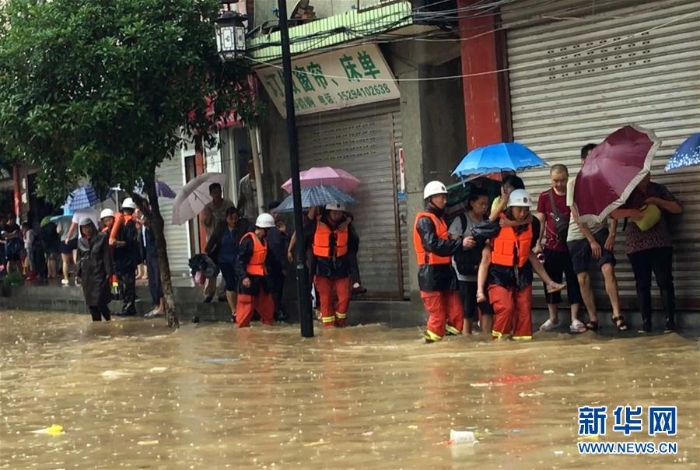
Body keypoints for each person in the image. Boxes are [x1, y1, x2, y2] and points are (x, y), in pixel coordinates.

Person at [476, 189, 566, 340]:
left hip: (522, 273)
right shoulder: (497, 223)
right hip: (499, 274)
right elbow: (478, 233)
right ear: (510, 208)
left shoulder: (532, 224)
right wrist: (480, 290)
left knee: (524, 311)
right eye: (519, 209)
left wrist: (549, 281)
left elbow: (529, 254)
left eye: (526, 210)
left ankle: (522, 346)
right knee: (505, 308)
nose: (523, 213)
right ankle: (498, 344)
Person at [612, 174, 682, 333]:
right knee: (642, 284)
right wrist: (630, 211)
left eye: (646, 173)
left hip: (660, 242)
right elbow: (613, 213)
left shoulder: (658, 189)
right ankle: (646, 323)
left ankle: (670, 322)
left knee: (665, 281)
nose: (644, 176)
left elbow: (677, 208)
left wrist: (658, 202)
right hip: (637, 245)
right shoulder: (626, 193)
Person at [567, 148, 627, 332]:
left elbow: (615, 209)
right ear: (582, 161)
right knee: (583, 278)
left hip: (601, 230)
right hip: (578, 234)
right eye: (590, 158)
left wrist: (612, 234)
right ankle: (593, 318)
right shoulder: (573, 183)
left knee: (608, 268)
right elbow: (576, 216)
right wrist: (591, 241)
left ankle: (617, 314)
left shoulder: (605, 180)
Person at [414, 181, 475, 342]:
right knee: (437, 315)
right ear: (431, 198)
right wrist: (459, 243)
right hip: (430, 272)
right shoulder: (425, 221)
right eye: (441, 197)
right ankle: (433, 350)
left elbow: (443, 243)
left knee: (456, 315)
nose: (445, 200)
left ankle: (447, 351)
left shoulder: (439, 219)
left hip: (445, 271)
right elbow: (432, 245)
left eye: (445, 197)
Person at [535, 164, 585, 333]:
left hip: (573, 245)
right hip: (551, 247)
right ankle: (553, 317)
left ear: (567, 177)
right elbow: (541, 222)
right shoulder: (544, 197)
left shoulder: (575, 194)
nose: (559, 184)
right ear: (551, 179)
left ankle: (575, 319)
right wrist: (537, 243)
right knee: (550, 282)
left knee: (574, 282)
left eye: (562, 180)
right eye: (555, 181)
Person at [448, 188, 494, 335]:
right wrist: (463, 241)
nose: (484, 207)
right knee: (468, 311)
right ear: (472, 203)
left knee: (487, 308)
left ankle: (486, 338)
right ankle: (466, 339)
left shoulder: (487, 221)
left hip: (483, 271)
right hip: (465, 273)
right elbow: (452, 240)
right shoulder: (461, 220)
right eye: (481, 203)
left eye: (487, 204)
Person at [304, 203, 353, 328]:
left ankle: (339, 322)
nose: (336, 215)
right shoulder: (317, 222)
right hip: (321, 266)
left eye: (339, 212)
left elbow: (354, 244)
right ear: (328, 211)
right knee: (325, 300)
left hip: (341, 266)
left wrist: (348, 221)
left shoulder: (346, 223)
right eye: (334, 212)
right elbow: (306, 224)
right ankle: (329, 328)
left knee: (345, 298)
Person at [205, 206, 249, 322]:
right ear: (226, 219)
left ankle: (240, 308)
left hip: (237, 260)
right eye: (231, 219)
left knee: (238, 283)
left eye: (236, 219)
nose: (234, 221)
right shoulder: (221, 228)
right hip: (224, 260)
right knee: (230, 283)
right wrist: (207, 252)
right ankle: (234, 311)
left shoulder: (241, 228)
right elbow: (213, 240)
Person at [234, 213, 276, 328]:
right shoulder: (248, 241)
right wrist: (244, 277)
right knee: (245, 312)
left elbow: (269, 260)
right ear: (263, 229)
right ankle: (242, 337)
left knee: (267, 308)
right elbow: (239, 261)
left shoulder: (264, 242)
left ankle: (267, 333)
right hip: (249, 281)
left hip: (261, 280)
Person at [201, 182, 234, 302]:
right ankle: (209, 293)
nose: (217, 194)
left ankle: (223, 292)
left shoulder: (228, 204)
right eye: (214, 192)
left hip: (225, 240)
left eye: (218, 191)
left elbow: (234, 218)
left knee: (226, 266)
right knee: (211, 268)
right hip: (213, 242)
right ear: (211, 194)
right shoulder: (207, 207)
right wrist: (209, 215)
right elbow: (206, 224)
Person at [76, 218, 113, 321]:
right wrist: (77, 274)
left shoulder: (102, 237)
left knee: (100, 302)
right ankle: (97, 325)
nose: (86, 230)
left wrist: (109, 273)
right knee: (91, 305)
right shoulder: (80, 242)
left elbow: (107, 256)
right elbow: (79, 259)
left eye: (88, 227)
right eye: (84, 228)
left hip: (99, 274)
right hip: (87, 276)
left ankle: (108, 321)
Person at [111, 198, 140, 316]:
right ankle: (127, 305)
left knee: (128, 284)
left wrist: (117, 243)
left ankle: (129, 307)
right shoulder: (123, 223)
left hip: (126, 259)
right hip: (123, 259)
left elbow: (129, 242)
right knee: (124, 284)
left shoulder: (129, 224)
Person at [139, 201, 166, 318]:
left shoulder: (154, 218)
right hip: (148, 253)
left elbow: (158, 233)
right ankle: (156, 305)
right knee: (152, 282)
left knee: (158, 279)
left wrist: (149, 226)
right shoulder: (142, 219)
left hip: (156, 253)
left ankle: (162, 305)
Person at [265, 201, 289, 321]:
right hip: (268, 265)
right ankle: (277, 311)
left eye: (278, 212)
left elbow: (285, 248)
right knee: (272, 290)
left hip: (279, 264)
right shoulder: (266, 228)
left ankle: (277, 311)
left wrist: (284, 233)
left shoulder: (282, 228)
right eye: (274, 212)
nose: (276, 215)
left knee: (279, 290)